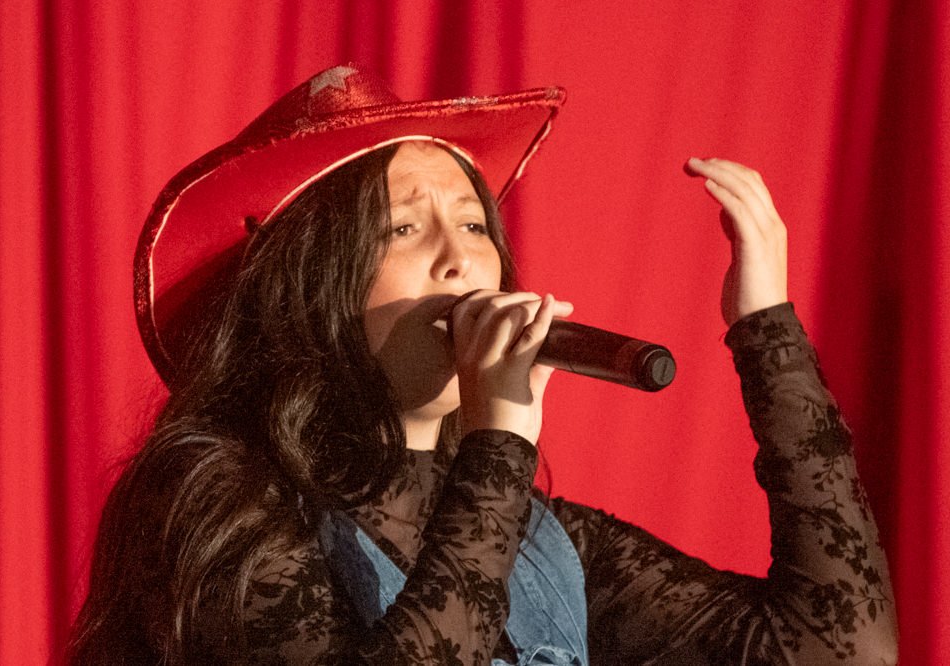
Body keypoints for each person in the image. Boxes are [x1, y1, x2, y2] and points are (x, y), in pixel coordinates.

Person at [68, 65, 898, 664]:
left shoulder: (539, 541)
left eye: (473, 226)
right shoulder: (211, 495)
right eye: (402, 229)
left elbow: (837, 645)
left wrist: (767, 333)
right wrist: (497, 452)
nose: (460, 262)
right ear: (309, 288)